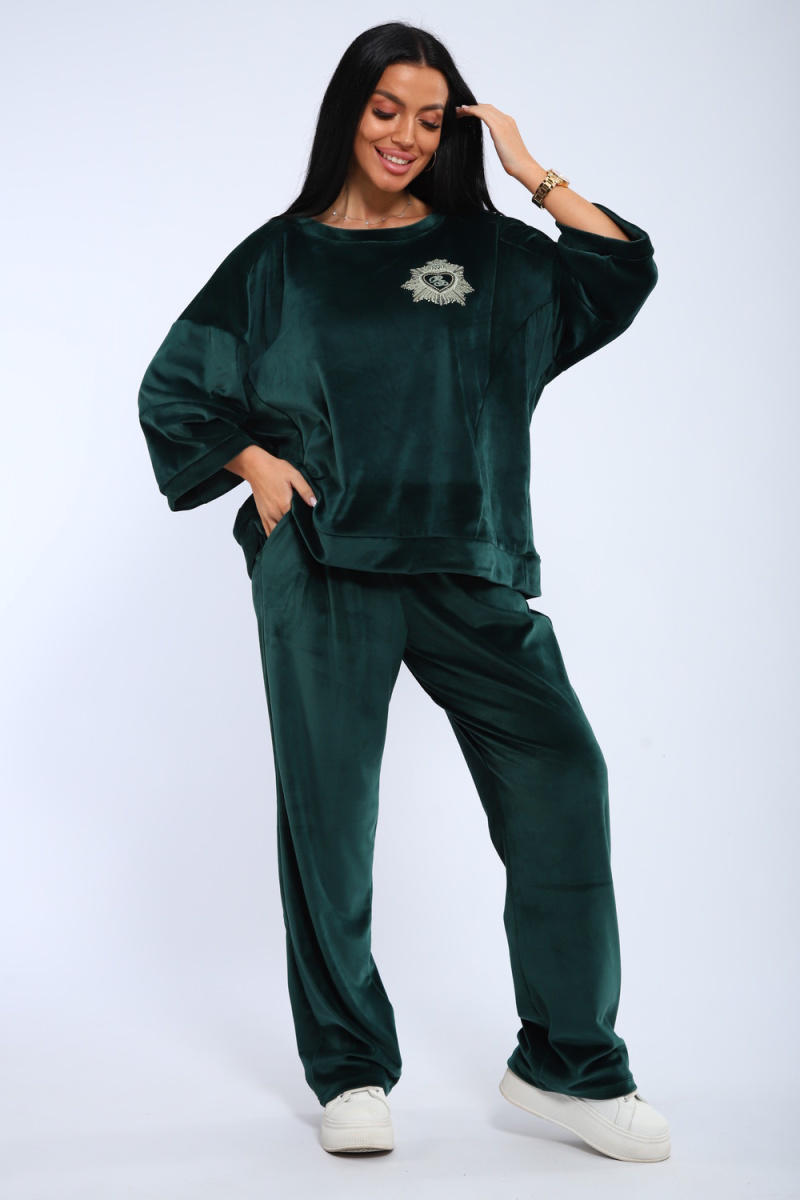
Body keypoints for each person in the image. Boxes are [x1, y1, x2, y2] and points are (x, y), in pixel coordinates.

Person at [137, 21, 670, 1164]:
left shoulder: (489, 253)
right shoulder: (278, 259)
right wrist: (252, 461)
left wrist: (532, 173)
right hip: (323, 562)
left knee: (562, 780)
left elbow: (617, 270)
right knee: (330, 824)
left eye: (430, 119)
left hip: (466, 564)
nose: (406, 136)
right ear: (348, 113)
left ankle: (567, 1064)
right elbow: (175, 389)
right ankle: (348, 1070)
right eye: (387, 111)